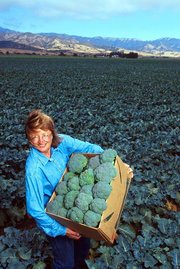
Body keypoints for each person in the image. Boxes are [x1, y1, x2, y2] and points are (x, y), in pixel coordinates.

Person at [25, 109, 133, 269]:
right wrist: (62, 230)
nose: (41, 141)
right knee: (65, 262)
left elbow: (91, 148)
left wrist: (119, 165)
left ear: (52, 133)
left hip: (78, 207)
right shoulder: (33, 169)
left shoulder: (63, 142)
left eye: (45, 135)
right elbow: (35, 210)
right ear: (29, 139)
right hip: (55, 217)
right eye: (34, 137)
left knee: (82, 250)